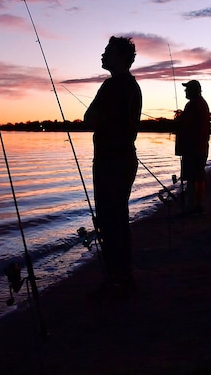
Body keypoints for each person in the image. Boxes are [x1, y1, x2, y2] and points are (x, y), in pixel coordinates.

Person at [83, 36, 142, 298]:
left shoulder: (113, 85)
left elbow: (89, 119)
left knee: (109, 220)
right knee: (119, 218)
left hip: (110, 161)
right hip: (126, 158)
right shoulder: (133, 85)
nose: (102, 55)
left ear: (119, 56)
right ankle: (123, 274)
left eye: (107, 51)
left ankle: (116, 279)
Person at [175, 79, 210, 214]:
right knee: (199, 176)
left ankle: (192, 206)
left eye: (187, 89)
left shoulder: (193, 105)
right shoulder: (202, 104)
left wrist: (178, 122)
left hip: (193, 148)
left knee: (192, 178)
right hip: (200, 147)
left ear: (193, 90)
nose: (185, 91)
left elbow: (185, 125)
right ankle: (198, 204)